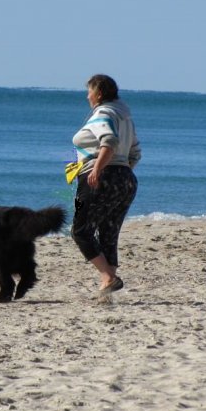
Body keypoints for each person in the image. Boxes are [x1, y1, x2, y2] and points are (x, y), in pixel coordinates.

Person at [70, 74, 141, 298]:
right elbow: (135, 153)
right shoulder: (125, 117)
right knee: (109, 232)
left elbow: (108, 142)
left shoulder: (103, 114)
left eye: (89, 91)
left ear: (98, 93)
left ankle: (108, 277)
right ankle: (107, 290)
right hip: (126, 179)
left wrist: (97, 169)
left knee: (80, 231)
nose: (87, 96)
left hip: (101, 177)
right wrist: (121, 170)